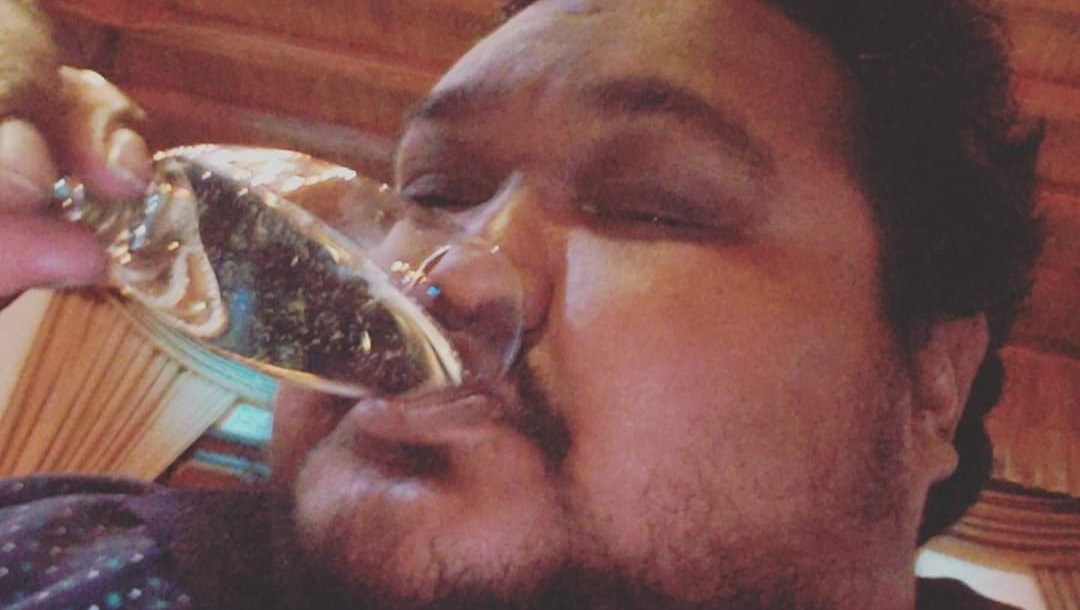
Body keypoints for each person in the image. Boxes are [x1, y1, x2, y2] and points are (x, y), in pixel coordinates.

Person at [0, 0, 1044, 608]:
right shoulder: (56, 552)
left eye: (649, 207)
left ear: (933, 382)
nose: (448, 277)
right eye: (433, 191)